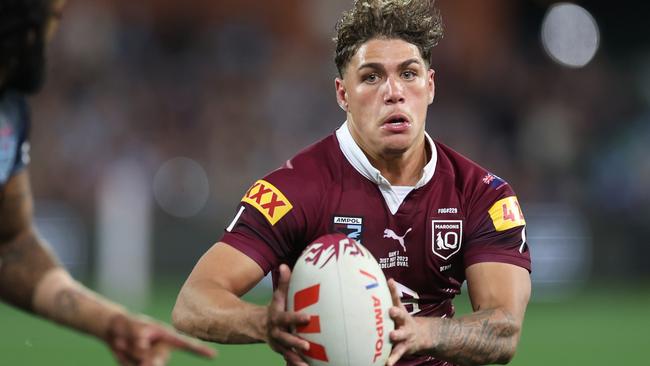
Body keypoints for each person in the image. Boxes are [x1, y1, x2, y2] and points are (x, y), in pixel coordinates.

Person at [173, 0, 531, 365]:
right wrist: (262, 322)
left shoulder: (481, 194)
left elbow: (504, 331)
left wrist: (422, 331)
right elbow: (193, 302)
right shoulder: (294, 190)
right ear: (343, 94)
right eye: (371, 77)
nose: (393, 92)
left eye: (408, 73)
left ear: (431, 85)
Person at [0, 0, 216, 365]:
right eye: (54, 20)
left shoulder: (9, 112)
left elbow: (11, 245)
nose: (55, 36)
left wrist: (111, 322)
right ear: (25, 27)